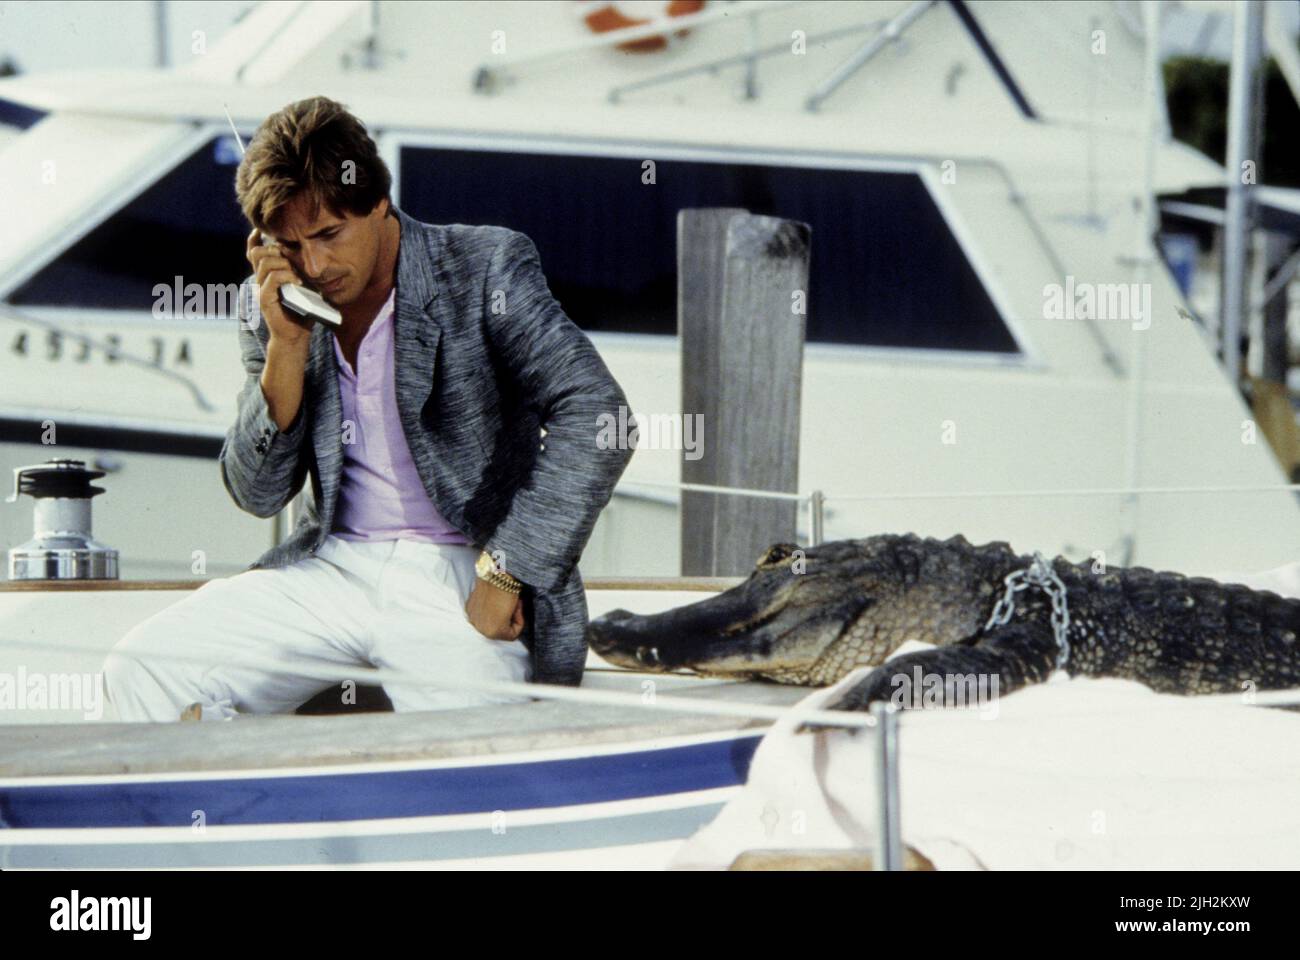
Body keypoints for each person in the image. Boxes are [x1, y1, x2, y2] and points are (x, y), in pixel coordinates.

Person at [104, 96, 634, 721]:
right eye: (291, 245)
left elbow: (598, 412)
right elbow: (258, 494)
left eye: (330, 234)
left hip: (461, 566)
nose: (317, 265)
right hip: (330, 565)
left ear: (379, 202)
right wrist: (288, 346)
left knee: (472, 730)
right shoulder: (274, 308)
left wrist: (506, 571)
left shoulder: (484, 265)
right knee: (141, 671)